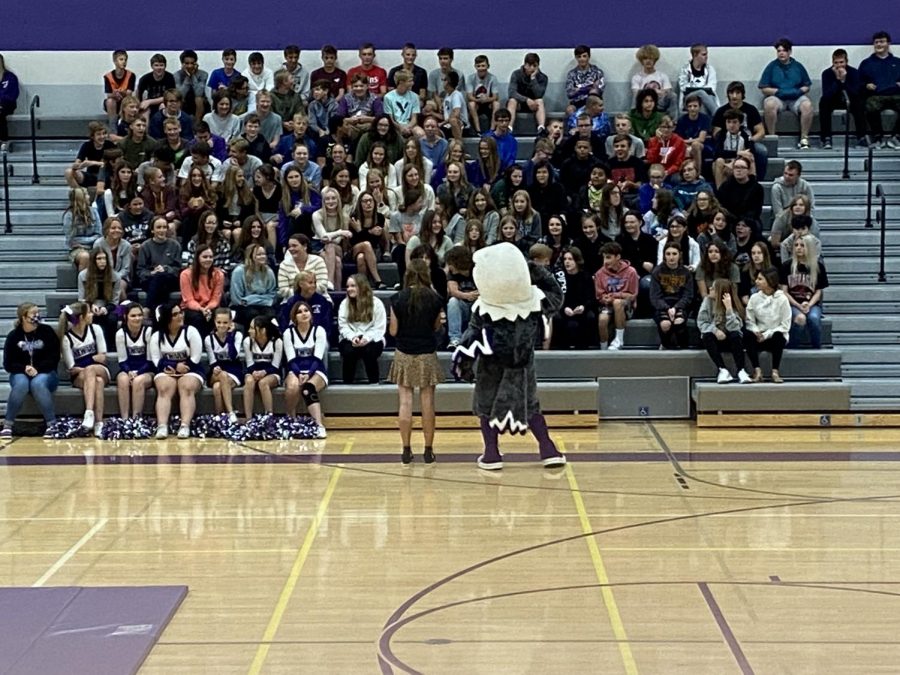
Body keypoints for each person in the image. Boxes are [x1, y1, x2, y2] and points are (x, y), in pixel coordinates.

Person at [451, 243, 566, 470]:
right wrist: (531, 269)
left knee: (486, 405)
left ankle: (492, 453)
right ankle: (548, 449)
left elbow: (469, 340)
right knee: (529, 405)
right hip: (522, 367)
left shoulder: (484, 308)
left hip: (491, 366)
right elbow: (556, 294)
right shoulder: (534, 303)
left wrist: (463, 366)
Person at [388, 259, 445, 464]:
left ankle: (406, 449)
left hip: (404, 352)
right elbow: (437, 327)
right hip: (427, 353)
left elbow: (393, 331)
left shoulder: (397, 298)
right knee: (428, 403)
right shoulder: (434, 298)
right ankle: (428, 450)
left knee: (405, 402)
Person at [2, 303, 60, 437]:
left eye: (38, 313)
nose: (37, 316)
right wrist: (24, 368)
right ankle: (7, 425)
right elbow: (8, 364)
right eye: (34, 314)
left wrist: (37, 369)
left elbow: (54, 357)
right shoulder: (13, 336)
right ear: (23, 317)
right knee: (21, 384)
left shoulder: (47, 332)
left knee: (37, 383)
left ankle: (52, 424)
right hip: (21, 372)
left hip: (47, 372)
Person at [149, 301, 204, 439]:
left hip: (192, 369)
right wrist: (174, 367)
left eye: (181, 312)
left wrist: (181, 369)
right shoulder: (156, 336)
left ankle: (185, 426)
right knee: (164, 387)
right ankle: (162, 426)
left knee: (186, 386)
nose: (180, 316)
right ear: (167, 318)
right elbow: (156, 361)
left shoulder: (191, 332)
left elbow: (195, 358)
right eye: (175, 314)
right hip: (166, 370)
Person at [59, 302, 109, 437]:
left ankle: (88, 413)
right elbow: (72, 368)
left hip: (101, 370)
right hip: (80, 377)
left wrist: (87, 363)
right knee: (97, 381)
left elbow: (103, 358)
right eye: (89, 313)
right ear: (81, 317)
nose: (92, 314)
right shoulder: (66, 338)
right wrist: (93, 359)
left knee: (90, 370)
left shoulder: (96, 329)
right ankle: (99, 423)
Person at [282, 301, 328, 437]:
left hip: (316, 370)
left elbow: (317, 358)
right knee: (292, 387)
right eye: (299, 312)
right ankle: (291, 418)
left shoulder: (319, 331)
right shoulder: (288, 333)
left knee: (308, 388)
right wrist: (298, 373)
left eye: (306, 311)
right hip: (295, 369)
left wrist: (308, 374)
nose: (304, 314)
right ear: (294, 317)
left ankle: (319, 426)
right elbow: (291, 359)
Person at [758, 38, 813, 148]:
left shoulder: (798, 66)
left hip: (796, 98)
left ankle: (804, 139)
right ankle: (772, 138)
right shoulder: (771, 67)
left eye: (784, 50)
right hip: (778, 98)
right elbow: (764, 88)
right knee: (769, 104)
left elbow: (807, 86)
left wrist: (798, 91)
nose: (781, 53)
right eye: (779, 51)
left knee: (808, 105)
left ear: (789, 52)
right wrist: (778, 91)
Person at [698, 279, 752, 384]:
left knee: (736, 335)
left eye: (713, 288)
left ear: (720, 292)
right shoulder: (707, 301)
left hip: (730, 340)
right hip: (715, 340)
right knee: (707, 336)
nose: (710, 289)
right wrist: (715, 330)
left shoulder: (732, 303)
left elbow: (735, 327)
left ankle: (741, 370)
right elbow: (702, 323)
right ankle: (722, 369)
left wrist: (729, 309)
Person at [711, 81, 769, 180]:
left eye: (737, 93)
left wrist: (749, 140)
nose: (734, 96)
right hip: (727, 142)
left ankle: (758, 181)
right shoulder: (721, 111)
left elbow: (761, 131)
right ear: (727, 95)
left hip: (747, 141)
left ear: (742, 94)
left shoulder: (751, 109)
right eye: (731, 93)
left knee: (762, 151)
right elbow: (716, 133)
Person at [780, 234, 828, 349]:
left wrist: (809, 304)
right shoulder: (787, 266)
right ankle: (791, 347)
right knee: (800, 318)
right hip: (792, 303)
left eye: (802, 245)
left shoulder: (818, 267)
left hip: (811, 304)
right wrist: (798, 305)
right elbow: (784, 291)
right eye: (796, 245)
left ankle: (817, 348)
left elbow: (818, 292)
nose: (798, 248)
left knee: (814, 318)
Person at [744, 267, 792, 383]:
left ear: (769, 281)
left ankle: (775, 371)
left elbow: (785, 325)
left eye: (760, 279)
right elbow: (749, 320)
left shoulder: (782, 299)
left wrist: (766, 335)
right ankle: (757, 370)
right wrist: (756, 331)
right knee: (747, 335)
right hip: (759, 336)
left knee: (778, 336)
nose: (756, 281)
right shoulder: (754, 298)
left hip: (774, 335)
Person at [338, 274, 386, 384]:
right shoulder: (344, 304)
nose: (349, 289)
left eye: (353, 286)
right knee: (348, 352)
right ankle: (347, 385)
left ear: (362, 286)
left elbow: (379, 327)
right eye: (348, 286)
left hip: (372, 337)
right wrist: (352, 337)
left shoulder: (376, 303)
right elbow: (343, 326)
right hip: (350, 337)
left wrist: (366, 338)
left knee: (369, 351)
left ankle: (374, 384)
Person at [594, 241, 639, 350]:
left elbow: (633, 295)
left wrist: (615, 295)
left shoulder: (631, 272)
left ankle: (619, 340)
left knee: (617, 302)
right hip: (608, 305)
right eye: (604, 258)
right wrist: (605, 299)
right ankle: (603, 348)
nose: (605, 261)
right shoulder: (599, 273)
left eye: (608, 258)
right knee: (602, 319)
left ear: (618, 257)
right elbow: (599, 296)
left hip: (626, 305)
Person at [819, 48, 867, 149]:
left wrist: (844, 80)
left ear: (846, 61)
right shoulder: (826, 73)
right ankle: (826, 138)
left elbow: (855, 92)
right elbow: (827, 94)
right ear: (833, 63)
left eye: (841, 62)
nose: (839, 65)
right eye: (836, 63)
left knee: (860, 103)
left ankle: (861, 137)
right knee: (823, 102)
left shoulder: (854, 72)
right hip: (833, 99)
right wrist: (837, 80)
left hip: (851, 98)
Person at [650, 242, 695, 349]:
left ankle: (684, 349)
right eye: (668, 254)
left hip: (680, 304)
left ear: (679, 255)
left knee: (679, 322)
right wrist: (667, 308)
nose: (671, 257)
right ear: (664, 255)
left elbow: (688, 295)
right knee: (665, 324)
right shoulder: (657, 271)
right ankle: (665, 346)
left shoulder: (686, 272)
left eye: (674, 254)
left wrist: (676, 308)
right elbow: (655, 296)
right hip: (662, 305)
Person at [859, 31, 900, 148]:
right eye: (876, 42)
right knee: (870, 106)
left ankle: (896, 137)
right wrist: (866, 85)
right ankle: (878, 137)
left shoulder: (897, 62)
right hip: (876, 95)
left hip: (896, 94)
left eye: (882, 42)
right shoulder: (866, 63)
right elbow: (860, 82)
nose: (879, 45)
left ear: (888, 44)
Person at [115, 303, 154, 419]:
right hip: (128, 370)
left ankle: (136, 419)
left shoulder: (148, 331)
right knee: (122, 380)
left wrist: (137, 373)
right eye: (133, 316)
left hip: (147, 370)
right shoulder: (120, 334)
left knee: (138, 381)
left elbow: (150, 361)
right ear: (126, 317)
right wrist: (129, 372)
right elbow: (122, 361)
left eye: (140, 315)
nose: (137, 318)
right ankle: (125, 419)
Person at [205, 307, 244, 424]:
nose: (222, 326)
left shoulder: (237, 335)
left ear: (231, 323)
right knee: (222, 375)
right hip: (217, 372)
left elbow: (233, 355)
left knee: (217, 387)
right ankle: (231, 412)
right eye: (219, 322)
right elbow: (212, 361)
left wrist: (230, 336)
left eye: (225, 322)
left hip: (234, 370)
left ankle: (220, 418)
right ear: (214, 322)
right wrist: (215, 368)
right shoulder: (209, 339)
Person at [78, 248, 122, 344]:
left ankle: (111, 345)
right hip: (90, 305)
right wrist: (91, 306)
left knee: (112, 318)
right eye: (99, 259)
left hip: (109, 306)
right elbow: (81, 299)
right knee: (84, 316)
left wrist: (105, 309)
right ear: (93, 260)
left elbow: (115, 301)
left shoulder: (115, 276)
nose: (102, 262)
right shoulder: (83, 275)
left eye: (104, 258)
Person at [241, 316, 283, 419]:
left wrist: (264, 372)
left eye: (252, 328)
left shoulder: (277, 342)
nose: (249, 331)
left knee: (263, 383)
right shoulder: (248, 341)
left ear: (263, 330)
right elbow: (249, 363)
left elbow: (276, 366)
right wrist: (255, 372)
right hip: (254, 371)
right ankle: (248, 418)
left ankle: (269, 416)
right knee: (249, 381)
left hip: (272, 373)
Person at [231, 243, 278, 329]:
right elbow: (237, 299)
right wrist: (260, 299)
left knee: (270, 315)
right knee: (252, 315)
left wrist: (250, 299)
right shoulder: (239, 272)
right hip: (244, 307)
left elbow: (272, 294)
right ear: (250, 256)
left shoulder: (268, 271)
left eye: (264, 254)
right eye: (259, 254)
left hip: (263, 304)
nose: (262, 256)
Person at [277, 233, 329, 300]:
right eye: (289, 246)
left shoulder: (318, 261)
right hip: (292, 300)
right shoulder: (284, 265)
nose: (291, 249)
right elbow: (283, 290)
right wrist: (302, 294)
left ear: (305, 246)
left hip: (318, 298)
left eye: (294, 246)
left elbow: (322, 285)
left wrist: (305, 293)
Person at [506, 53, 548, 134]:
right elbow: (512, 92)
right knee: (512, 101)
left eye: (535, 66)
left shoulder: (543, 77)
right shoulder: (516, 74)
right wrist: (526, 100)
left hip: (533, 105)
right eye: (529, 65)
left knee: (540, 101)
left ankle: (541, 128)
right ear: (525, 65)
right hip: (519, 103)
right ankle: (509, 128)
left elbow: (539, 94)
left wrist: (533, 79)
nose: (532, 68)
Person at [63, 186, 102, 270]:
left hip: (94, 246)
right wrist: (91, 240)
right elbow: (71, 240)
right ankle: (83, 282)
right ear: (81, 198)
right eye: (86, 195)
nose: (89, 197)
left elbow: (99, 234)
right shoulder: (69, 216)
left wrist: (84, 242)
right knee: (85, 256)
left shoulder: (94, 211)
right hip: (77, 249)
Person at [632, 44, 676, 116]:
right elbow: (637, 94)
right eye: (645, 58)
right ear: (641, 61)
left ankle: (674, 122)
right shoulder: (637, 77)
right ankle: (633, 117)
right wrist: (656, 91)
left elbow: (667, 92)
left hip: (659, 103)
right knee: (636, 97)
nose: (648, 61)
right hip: (644, 103)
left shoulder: (662, 76)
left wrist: (649, 93)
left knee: (673, 95)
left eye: (651, 58)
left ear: (655, 60)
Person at [677, 44, 719, 116]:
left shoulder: (710, 69)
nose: (706, 57)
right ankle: (718, 116)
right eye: (703, 54)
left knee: (704, 102)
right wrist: (700, 90)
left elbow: (712, 87)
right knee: (701, 93)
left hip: (706, 98)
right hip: (689, 97)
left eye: (706, 54)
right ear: (695, 55)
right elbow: (683, 87)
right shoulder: (685, 69)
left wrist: (698, 90)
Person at [466, 55, 501, 135]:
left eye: (483, 66)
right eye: (478, 66)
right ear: (475, 66)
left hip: (488, 102)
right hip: (476, 102)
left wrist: (486, 100)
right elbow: (469, 96)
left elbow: (495, 96)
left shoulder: (493, 78)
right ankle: (478, 130)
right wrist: (478, 100)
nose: (481, 68)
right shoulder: (471, 78)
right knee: (471, 104)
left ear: (488, 66)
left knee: (497, 104)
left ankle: (492, 130)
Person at [565, 46, 605, 113]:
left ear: (589, 57)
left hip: (593, 102)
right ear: (576, 58)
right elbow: (569, 94)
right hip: (576, 103)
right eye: (579, 56)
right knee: (569, 109)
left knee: (594, 106)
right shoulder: (571, 74)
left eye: (584, 56)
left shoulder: (597, 72)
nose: (582, 59)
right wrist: (590, 87)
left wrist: (578, 90)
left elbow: (598, 91)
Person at [103, 50, 136, 131]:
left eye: (125, 60)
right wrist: (115, 94)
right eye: (121, 59)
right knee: (110, 101)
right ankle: (113, 128)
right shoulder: (108, 76)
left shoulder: (131, 75)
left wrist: (120, 92)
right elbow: (109, 94)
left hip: (125, 101)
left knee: (129, 102)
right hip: (114, 103)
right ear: (114, 61)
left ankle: (126, 126)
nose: (124, 62)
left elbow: (129, 93)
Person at [0, 53, 20, 142]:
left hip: (7, 104)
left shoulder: (10, 77)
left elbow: (13, 94)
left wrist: (1, 102)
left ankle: (4, 141)